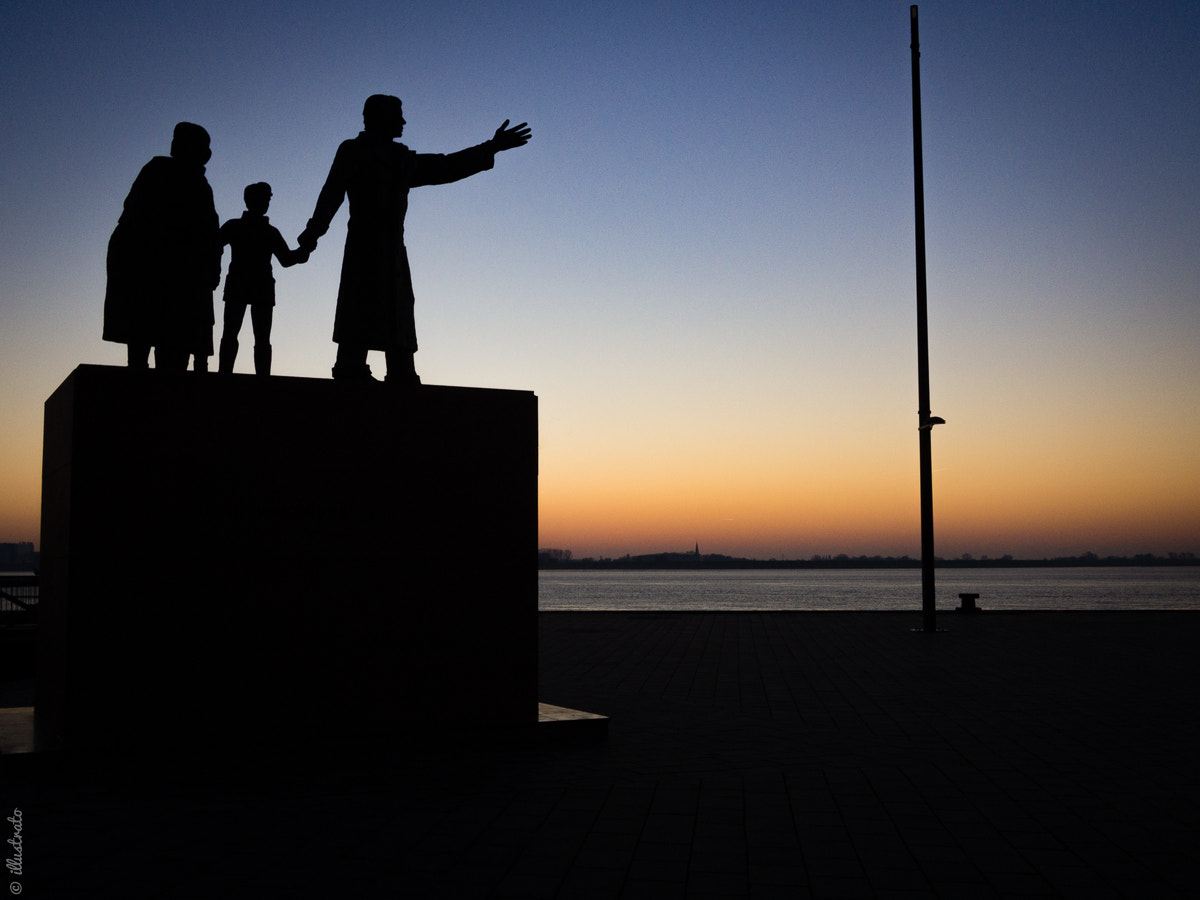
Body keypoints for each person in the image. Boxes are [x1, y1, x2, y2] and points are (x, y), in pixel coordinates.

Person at [297, 94, 531, 383]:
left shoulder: (401, 159)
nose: (403, 121)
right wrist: (311, 236)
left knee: (397, 316)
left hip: (392, 250)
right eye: (398, 115)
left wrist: (491, 147)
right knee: (360, 311)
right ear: (379, 117)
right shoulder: (353, 151)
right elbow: (330, 195)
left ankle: (400, 371)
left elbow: (444, 167)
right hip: (364, 249)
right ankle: (351, 368)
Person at [103, 122, 222, 371]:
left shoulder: (201, 188)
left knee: (174, 349)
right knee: (143, 335)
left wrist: (211, 268)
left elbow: (211, 235)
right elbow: (132, 219)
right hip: (150, 268)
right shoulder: (157, 171)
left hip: (183, 277)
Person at [217, 182, 309, 375]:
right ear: (253, 200)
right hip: (251, 286)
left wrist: (302, 253)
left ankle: (238, 376)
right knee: (237, 334)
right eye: (265, 198)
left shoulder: (244, 227)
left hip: (250, 286)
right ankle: (236, 376)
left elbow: (286, 259)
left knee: (254, 337)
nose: (267, 202)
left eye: (268, 198)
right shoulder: (257, 230)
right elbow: (286, 259)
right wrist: (301, 253)